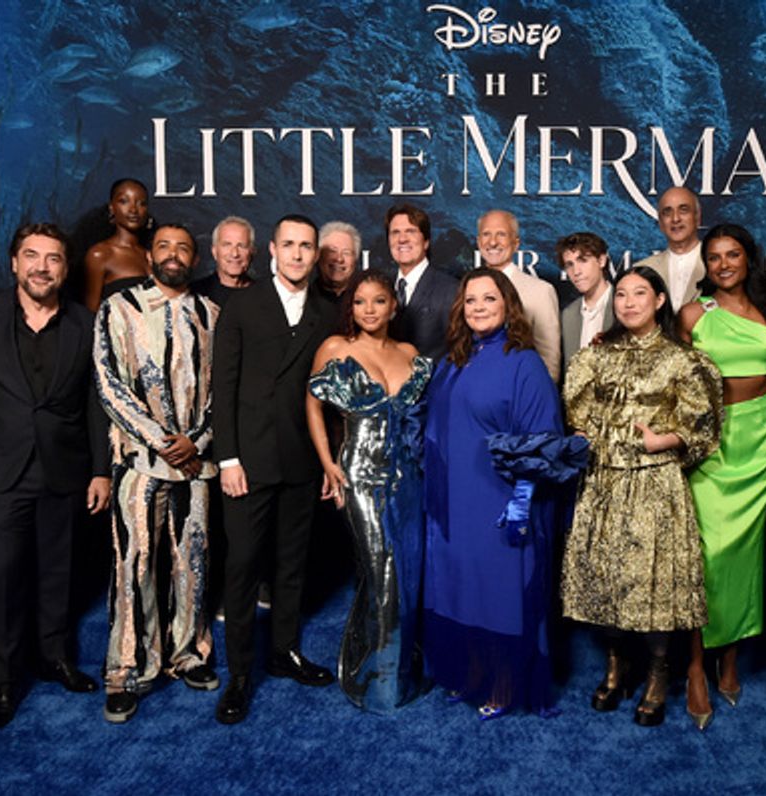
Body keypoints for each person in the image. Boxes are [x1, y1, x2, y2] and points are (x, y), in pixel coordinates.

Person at [0, 223, 111, 730]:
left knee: (57, 574)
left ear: (65, 269)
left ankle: (53, 658)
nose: (41, 267)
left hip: (63, 470)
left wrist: (100, 470)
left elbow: (94, 403)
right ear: (13, 263)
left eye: (52, 259)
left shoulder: (85, 324)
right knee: (3, 579)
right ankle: (2, 681)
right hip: (0, 471)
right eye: (31, 256)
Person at [561, 266, 722, 727]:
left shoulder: (682, 359)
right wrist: (586, 436)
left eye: (640, 294)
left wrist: (662, 441)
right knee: (606, 580)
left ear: (659, 301)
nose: (629, 303)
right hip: (604, 481)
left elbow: (704, 427)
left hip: (654, 484)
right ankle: (617, 665)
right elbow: (579, 414)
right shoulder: (596, 356)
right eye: (623, 295)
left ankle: (656, 672)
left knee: (652, 587)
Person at [422, 268, 578, 719]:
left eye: (488, 299)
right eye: (470, 301)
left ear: (508, 304)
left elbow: (543, 439)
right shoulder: (454, 359)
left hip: (500, 500)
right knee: (462, 588)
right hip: (454, 499)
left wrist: (521, 502)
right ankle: (472, 675)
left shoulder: (524, 363)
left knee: (500, 593)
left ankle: (506, 683)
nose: (478, 308)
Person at [212, 214, 337, 725]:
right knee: (242, 568)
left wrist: (329, 461)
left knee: (291, 566)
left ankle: (283, 653)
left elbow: (329, 395)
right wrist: (227, 458)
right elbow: (223, 384)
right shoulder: (241, 306)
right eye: (289, 244)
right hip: (249, 462)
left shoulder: (328, 312)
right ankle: (239, 674)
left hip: (301, 461)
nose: (298, 254)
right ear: (272, 249)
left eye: (307, 246)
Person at [94, 223, 220, 724]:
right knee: (134, 567)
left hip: (196, 467)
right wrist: (162, 442)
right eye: (164, 246)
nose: (173, 255)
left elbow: (221, 390)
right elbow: (108, 384)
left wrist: (199, 441)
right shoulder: (118, 309)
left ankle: (187, 654)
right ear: (149, 257)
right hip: (140, 465)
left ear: (195, 257)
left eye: (183, 248)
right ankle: (128, 671)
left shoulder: (211, 314)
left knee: (192, 563)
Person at [677, 224, 766, 730]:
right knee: (709, 556)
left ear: (749, 259)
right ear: (706, 264)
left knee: (746, 555)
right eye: (715, 256)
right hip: (712, 444)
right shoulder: (695, 315)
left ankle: (731, 660)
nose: (724, 264)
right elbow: (673, 383)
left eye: (733, 254)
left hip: (761, 437)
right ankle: (696, 666)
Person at [306, 270, 431, 712]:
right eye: (360, 302)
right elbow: (313, 403)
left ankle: (402, 667)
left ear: (393, 306)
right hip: (360, 473)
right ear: (351, 308)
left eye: (379, 301)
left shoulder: (410, 353)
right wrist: (327, 462)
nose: (369, 310)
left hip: (409, 476)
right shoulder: (337, 349)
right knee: (383, 570)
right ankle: (376, 675)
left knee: (409, 570)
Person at [477, 210, 562, 381]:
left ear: (515, 243)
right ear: (479, 242)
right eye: (486, 234)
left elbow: (549, 361)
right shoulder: (466, 289)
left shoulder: (540, 291)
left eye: (501, 234)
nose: (493, 242)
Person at [384, 203, 457, 362]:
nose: (402, 239)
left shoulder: (450, 289)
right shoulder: (382, 287)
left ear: (426, 242)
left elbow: (458, 352)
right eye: (395, 233)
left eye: (410, 231)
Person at [633, 186, 706, 311]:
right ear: (660, 223)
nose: (675, 219)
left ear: (697, 218)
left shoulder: (717, 264)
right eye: (667, 212)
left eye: (683, 210)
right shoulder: (642, 270)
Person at [83, 177, 151, 310]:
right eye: (124, 201)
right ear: (112, 207)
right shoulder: (100, 254)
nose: (133, 210)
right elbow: (90, 313)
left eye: (141, 203)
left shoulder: (150, 256)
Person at [558, 232, 614, 368]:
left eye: (583, 260)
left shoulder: (625, 306)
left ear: (601, 260)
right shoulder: (568, 315)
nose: (576, 272)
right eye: (569, 265)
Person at [190, 216, 256, 309]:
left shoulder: (267, 295)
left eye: (242, 246)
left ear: (252, 251)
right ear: (214, 251)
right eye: (227, 245)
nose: (235, 253)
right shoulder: (194, 294)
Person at [315, 220, 361, 305]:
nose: (339, 259)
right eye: (332, 251)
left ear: (355, 259)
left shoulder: (365, 299)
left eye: (346, 253)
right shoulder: (302, 297)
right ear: (318, 255)